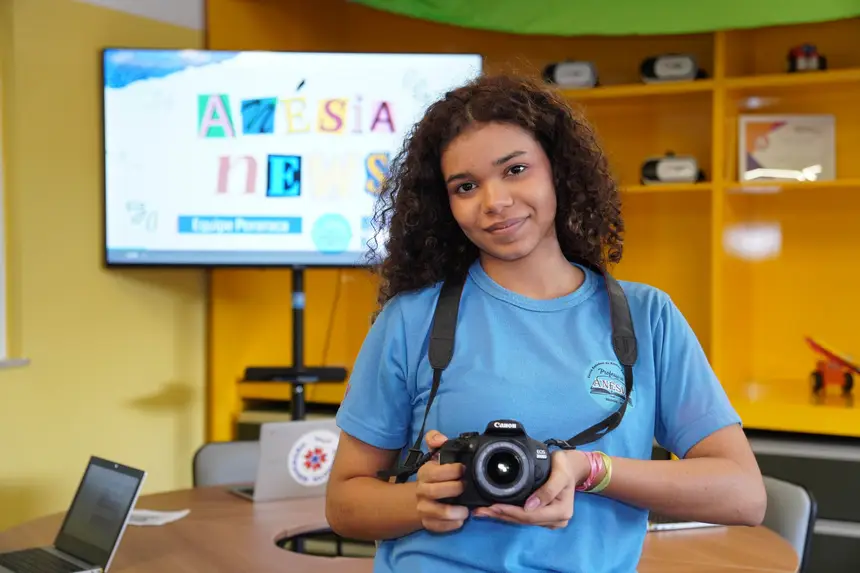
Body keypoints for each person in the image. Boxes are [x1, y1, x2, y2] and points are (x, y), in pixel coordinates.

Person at [324, 73, 766, 573]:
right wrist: (419, 503)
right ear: (445, 204)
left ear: (558, 170)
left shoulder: (647, 317)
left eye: (515, 170)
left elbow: (743, 495)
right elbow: (344, 503)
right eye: (465, 186)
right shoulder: (411, 320)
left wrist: (590, 470)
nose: (493, 202)